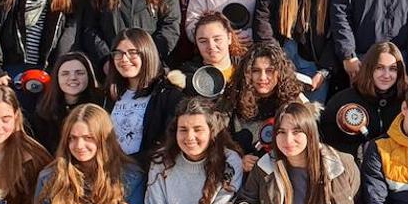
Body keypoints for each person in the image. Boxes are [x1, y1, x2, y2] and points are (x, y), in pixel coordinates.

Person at [103, 29, 182, 162]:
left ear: (147, 53)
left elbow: (167, 142)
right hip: (109, 169)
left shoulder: (166, 94)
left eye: (132, 53)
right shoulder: (109, 94)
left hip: (145, 171)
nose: (124, 59)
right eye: (118, 53)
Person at [226, 40, 306, 169]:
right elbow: (221, 142)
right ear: (247, 73)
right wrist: (238, 160)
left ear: (280, 72)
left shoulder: (294, 102)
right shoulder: (233, 99)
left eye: (269, 70)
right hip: (245, 174)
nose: (263, 77)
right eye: (256, 70)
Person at [320, 41, 407, 157]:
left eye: (393, 69)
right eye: (380, 68)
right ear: (369, 68)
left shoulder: (406, 102)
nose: (386, 75)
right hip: (354, 168)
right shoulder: (343, 100)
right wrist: (359, 151)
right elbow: (328, 143)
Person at [30, 52, 102, 152]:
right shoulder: (44, 111)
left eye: (79, 73)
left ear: (89, 76)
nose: (72, 77)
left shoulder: (102, 105)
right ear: (57, 78)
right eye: (65, 73)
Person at [168, 13, 247, 104]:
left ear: (229, 38)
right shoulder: (187, 78)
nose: (211, 46)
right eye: (203, 41)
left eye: (217, 39)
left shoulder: (246, 69)